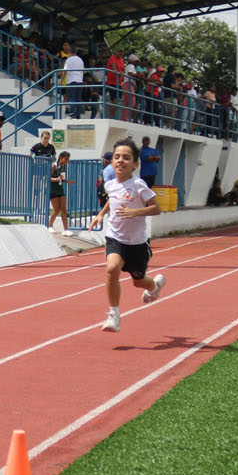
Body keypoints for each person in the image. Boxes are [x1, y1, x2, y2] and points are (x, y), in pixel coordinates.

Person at [89, 138, 166, 333]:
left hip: (137, 243)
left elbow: (157, 208)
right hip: (115, 238)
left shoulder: (139, 185)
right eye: (117, 157)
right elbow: (111, 202)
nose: (120, 160)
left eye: (126, 157)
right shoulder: (109, 185)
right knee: (111, 268)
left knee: (138, 281)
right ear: (111, 162)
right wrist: (100, 214)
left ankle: (154, 286)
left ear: (135, 164)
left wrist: (135, 212)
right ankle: (114, 316)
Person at [48, 150, 74, 235]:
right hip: (53, 189)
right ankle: (50, 226)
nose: (67, 161)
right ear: (61, 158)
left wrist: (67, 181)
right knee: (56, 209)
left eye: (68, 159)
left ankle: (66, 229)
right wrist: (56, 179)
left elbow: (61, 178)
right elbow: (48, 178)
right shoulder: (54, 166)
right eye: (66, 159)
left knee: (63, 209)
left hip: (60, 189)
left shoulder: (63, 167)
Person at [61, 42, 85, 119]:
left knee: (71, 98)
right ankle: (78, 116)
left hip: (71, 81)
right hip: (80, 81)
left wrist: (61, 81)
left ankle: (72, 114)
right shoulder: (80, 60)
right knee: (78, 99)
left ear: (70, 52)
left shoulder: (69, 59)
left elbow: (65, 71)